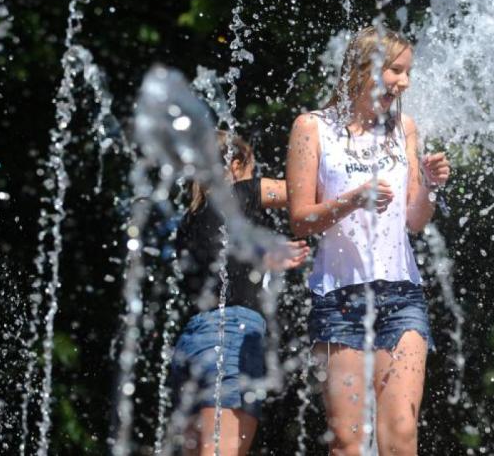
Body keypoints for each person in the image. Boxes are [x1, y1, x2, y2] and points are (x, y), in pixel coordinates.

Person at [286, 26, 451, 455]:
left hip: (403, 295)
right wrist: (352, 200)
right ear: (365, 68)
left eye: (407, 72)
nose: (405, 82)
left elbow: (414, 220)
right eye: (396, 70)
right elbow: (301, 219)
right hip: (339, 298)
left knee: (401, 432)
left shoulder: (404, 129)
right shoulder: (312, 128)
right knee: (348, 441)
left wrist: (429, 186)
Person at [170, 130, 309, 456]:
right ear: (234, 164)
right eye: (251, 169)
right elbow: (302, 192)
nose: (253, 177)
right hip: (230, 336)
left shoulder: (188, 221)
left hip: (192, 343)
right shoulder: (241, 191)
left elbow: (221, 269)